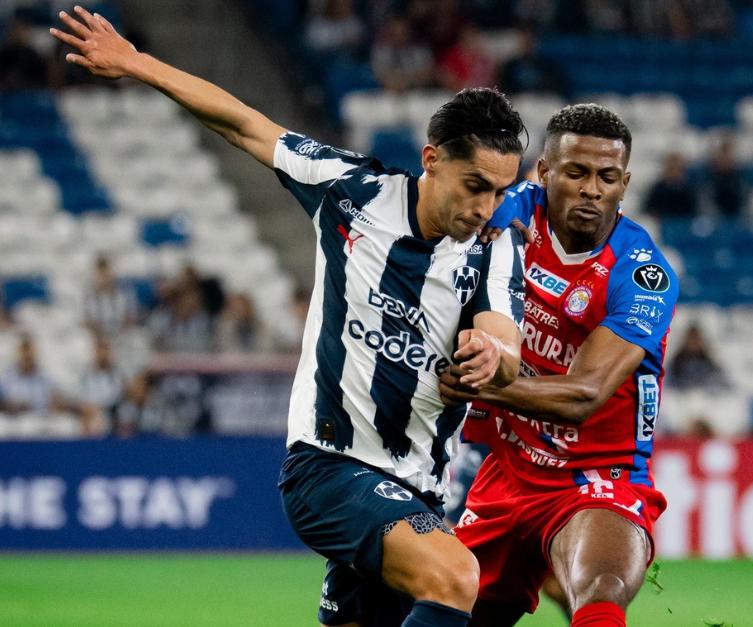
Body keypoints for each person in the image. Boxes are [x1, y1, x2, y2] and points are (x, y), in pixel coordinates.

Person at [53, 7, 526, 626]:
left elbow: (504, 343)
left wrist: (494, 358)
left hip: (420, 490)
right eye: (475, 185)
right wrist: (138, 64)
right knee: (456, 576)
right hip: (329, 466)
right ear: (432, 158)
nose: (487, 207)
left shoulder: (495, 250)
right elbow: (244, 124)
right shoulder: (351, 191)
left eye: (500, 191)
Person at [441, 104, 680, 627]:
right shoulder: (509, 211)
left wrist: (478, 385)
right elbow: (442, 214)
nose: (592, 189)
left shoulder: (642, 275)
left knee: (600, 589)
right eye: (577, 173)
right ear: (545, 172)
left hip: (596, 477)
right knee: (444, 611)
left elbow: (584, 395)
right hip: (507, 471)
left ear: (624, 184)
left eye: (607, 177)